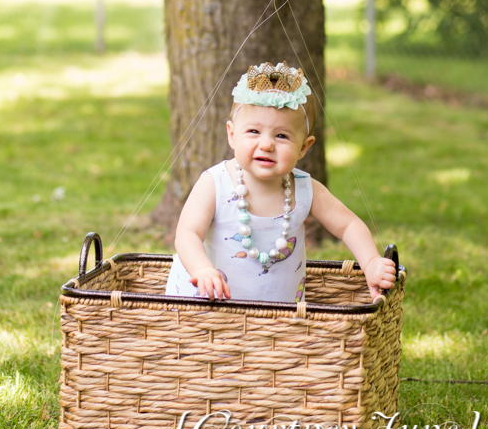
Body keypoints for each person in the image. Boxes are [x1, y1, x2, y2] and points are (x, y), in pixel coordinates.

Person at [165, 60, 396, 304]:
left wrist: (370, 262)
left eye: (281, 135)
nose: (266, 144)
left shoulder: (304, 189)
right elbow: (187, 233)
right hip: (209, 303)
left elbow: (347, 224)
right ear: (232, 135)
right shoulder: (215, 183)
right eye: (253, 131)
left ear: (304, 148)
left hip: (277, 312)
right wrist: (202, 269)